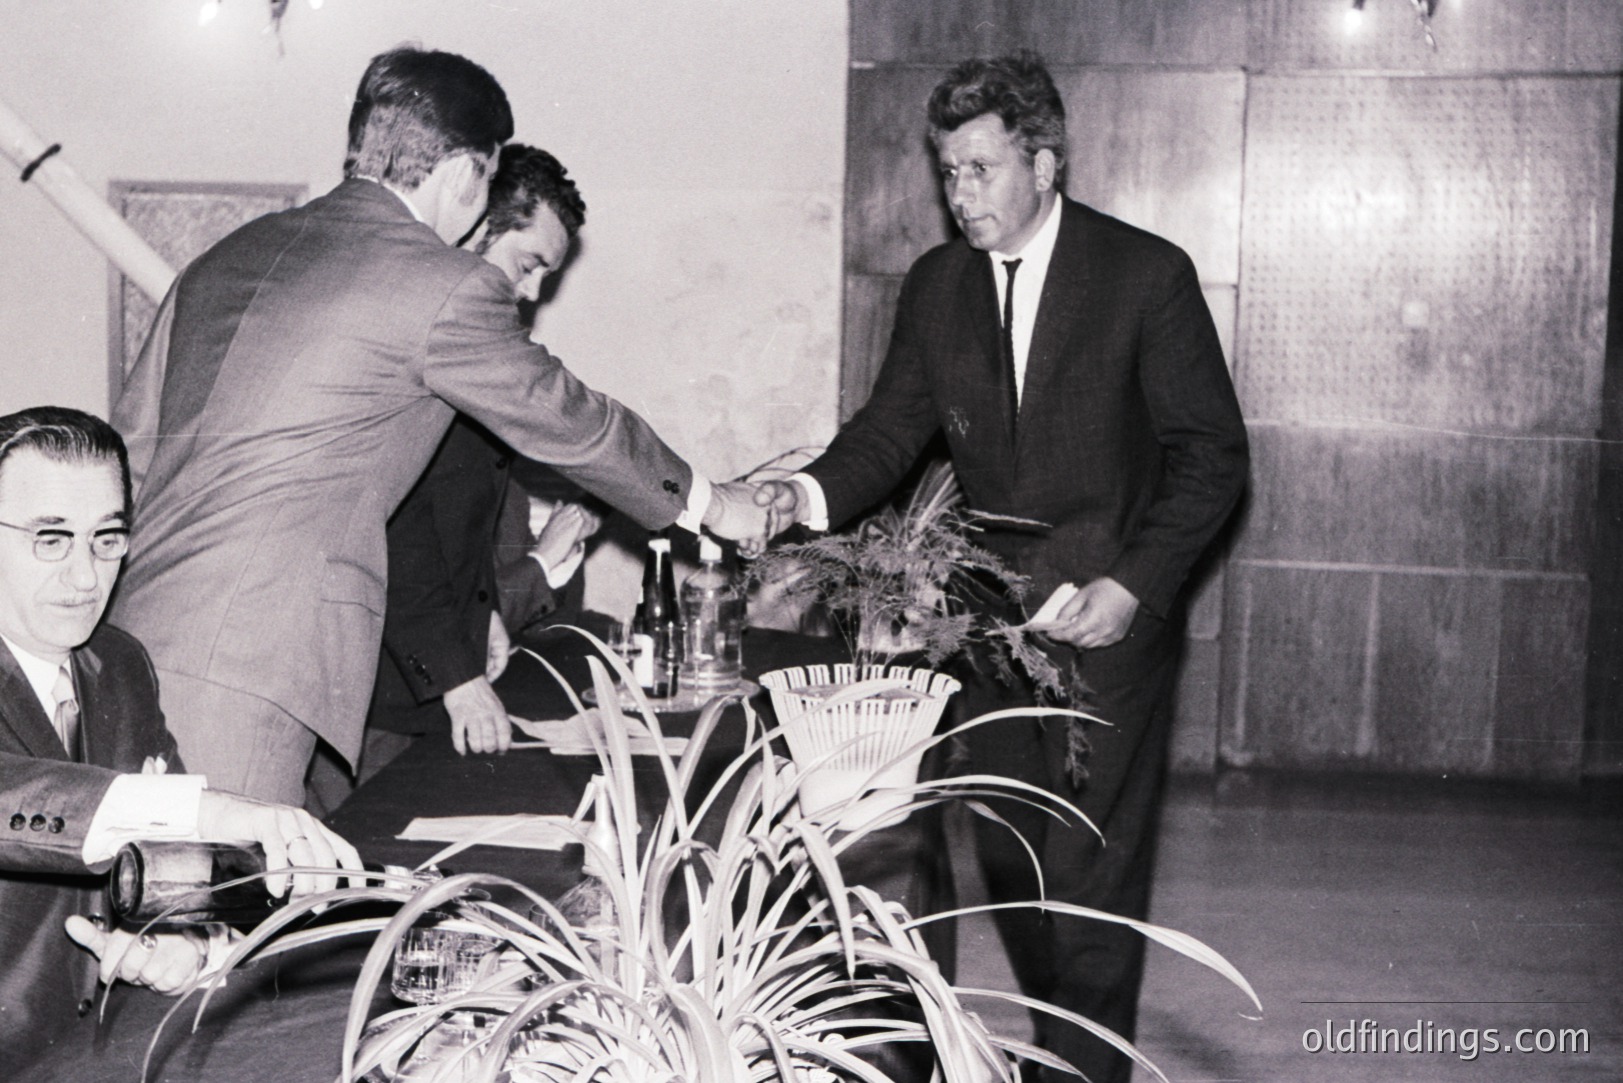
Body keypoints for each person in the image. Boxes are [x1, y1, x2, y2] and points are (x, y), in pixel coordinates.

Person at [756, 53, 1249, 1083]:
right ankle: (1052, 1047)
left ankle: (1081, 1069)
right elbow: (888, 432)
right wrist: (799, 497)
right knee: (1011, 854)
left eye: (980, 169)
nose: (960, 193)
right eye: (948, 171)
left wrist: (1133, 586)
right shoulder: (938, 286)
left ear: (1044, 164)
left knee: (1090, 872)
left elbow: (1213, 457)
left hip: (1109, 618)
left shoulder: (1143, 275)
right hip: (986, 628)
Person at [109, 47, 764, 807]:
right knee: (219, 875)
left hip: (129, 643)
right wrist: (714, 505)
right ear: (462, 173)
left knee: (150, 873)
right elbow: (573, 421)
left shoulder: (226, 256)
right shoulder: (442, 282)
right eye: (486, 180)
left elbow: (130, 454)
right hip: (249, 664)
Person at [0, 406, 362, 1068]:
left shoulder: (118, 661)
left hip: (97, 1042)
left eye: (107, 537)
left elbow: (179, 866)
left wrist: (186, 940)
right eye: (51, 539)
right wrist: (211, 810)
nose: (85, 576)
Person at [366, 145, 601, 763]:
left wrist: (486, 615)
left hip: (429, 674)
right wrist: (458, 676)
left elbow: (459, 525)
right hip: (376, 690)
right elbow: (396, 527)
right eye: (527, 265)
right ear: (475, 231)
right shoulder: (408, 338)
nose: (532, 293)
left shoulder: (472, 350)